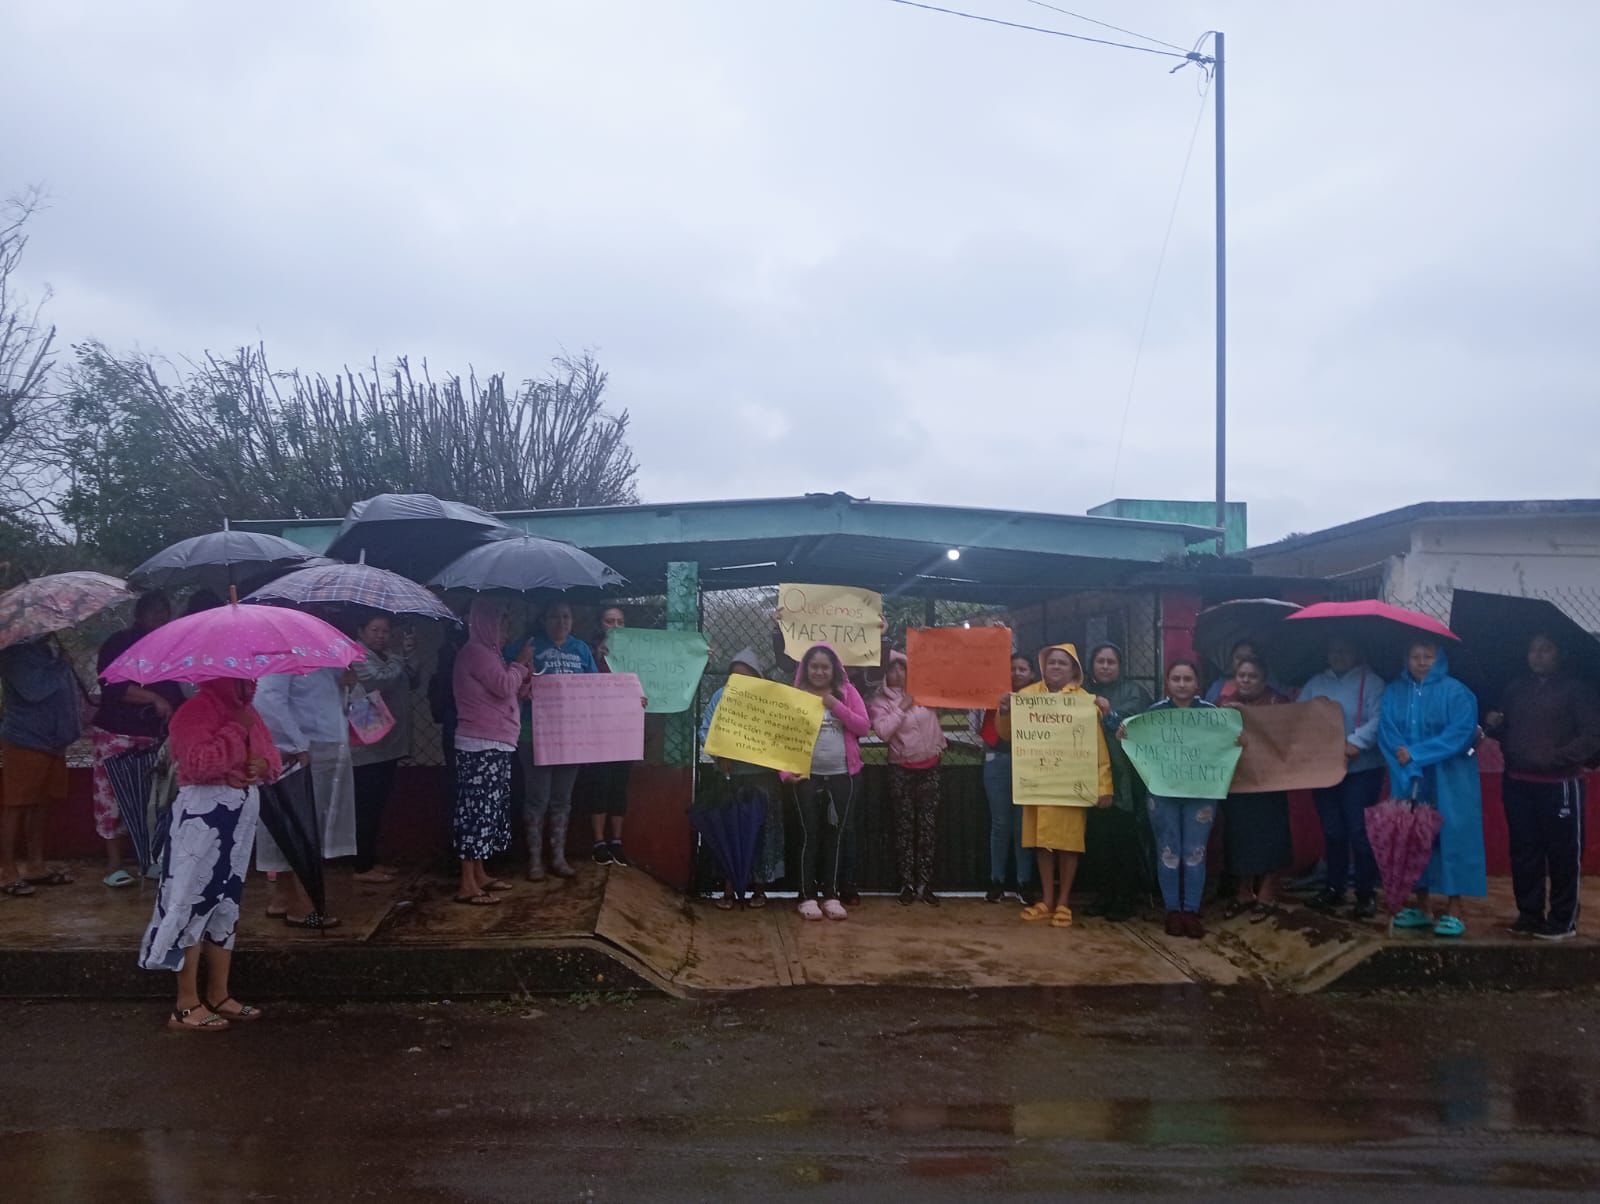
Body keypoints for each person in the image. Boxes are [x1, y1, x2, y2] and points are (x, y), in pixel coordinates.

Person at [139, 678, 282, 1031]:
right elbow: (200, 763)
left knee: (226, 902)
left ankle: (219, 994)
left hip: (239, 815)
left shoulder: (248, 711)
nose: (249, 682)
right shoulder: (195, 712)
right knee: (191, 899)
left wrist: (261, 766)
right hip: (203, 817)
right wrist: (235, 732)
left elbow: (272, 759)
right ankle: (186, 1003)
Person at [1484, 633, 1600, 940]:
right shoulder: (1515, 688)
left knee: (1563, 853)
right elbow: (1505, 730)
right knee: (1524, 851)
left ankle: (1564, 920)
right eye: (1532, 649)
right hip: (1518, 783)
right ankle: (1529, 914)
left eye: (1546, 649)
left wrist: (1557, 758)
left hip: (1560, 784)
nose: (1537, 656)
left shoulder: (1577, 690)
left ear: (1560, 653)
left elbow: (1592, 737)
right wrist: (1495, 723)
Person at [1119, 660, 1236, 939]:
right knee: (1168, 852)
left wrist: (1239, 740)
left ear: (1197, 684)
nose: (1182, 684)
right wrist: (1125, 732)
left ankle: (1191, 911)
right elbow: (1138, 741)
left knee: (1195, 853)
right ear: (1167, 683)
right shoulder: (1155, 715)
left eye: (1187, 679)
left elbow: (1228, 742)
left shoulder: (1211, 714)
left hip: (1201, 794)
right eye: (1176, 679)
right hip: (1163, 794)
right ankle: (1172, 910)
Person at [1378, 639, 1487, 938]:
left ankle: (1454, 909)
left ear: (1440, 659)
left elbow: (1461, 733)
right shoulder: (1394, 692)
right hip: (1408, 779)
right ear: (1406, 659)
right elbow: (1388, 732)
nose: (1422, 661)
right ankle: (1421, 906)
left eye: (1428, 656)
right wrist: (1409, 767)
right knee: (1413, 838)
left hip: (1449, 778)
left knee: (1453, 836)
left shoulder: (1457, 692)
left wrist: (1419, 754)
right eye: (1415, 656)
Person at [1004, 644, 1113, 929]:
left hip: (1070, 785)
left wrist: (1104, 785)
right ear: (1044, 666)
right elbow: (1007, 734)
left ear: (1074, 669)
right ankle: (1046, 900)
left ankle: (1064, 901)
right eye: (1051, 662)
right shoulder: (1026, 697)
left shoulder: (1085, 701)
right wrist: (1004, 710)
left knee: (1068, 845)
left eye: (1062, 663)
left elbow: (1098, 747)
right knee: (1042, 844)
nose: (1055, 667)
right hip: (1039, 784)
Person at [252, 663, 359, 928]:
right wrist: (295, 742)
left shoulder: (318, 655)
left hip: (320, 746)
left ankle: (284, 897)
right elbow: (267, 697)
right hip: (303, 749)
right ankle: (304, 904)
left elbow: (321, 698)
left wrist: (346, 683)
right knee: (302, 822)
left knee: (300, 820)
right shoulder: (280, 656)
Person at [91, 592, 185, 887]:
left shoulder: (172, 646)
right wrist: (153, 698)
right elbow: (112, 688)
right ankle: (115, 866)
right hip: (116, 735)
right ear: (140, 616)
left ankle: (149, 860)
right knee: (113, 800)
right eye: (155, 613)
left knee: (152, 801)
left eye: (164, 612)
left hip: (155, 736)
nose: (160, 618)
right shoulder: (119, 644)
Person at [507, 601, 598, 881]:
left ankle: (558, 857)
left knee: (562, 799)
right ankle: (535, 860)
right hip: (534, 733)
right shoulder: (529, 646)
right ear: (543, 619)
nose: (561, 621)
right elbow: (506, 678)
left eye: (566, 616)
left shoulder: (581, 649)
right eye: (554, 616)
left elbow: (595, 688)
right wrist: (523, 684)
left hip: (570, 735)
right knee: (537, 798)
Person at [452, 599, 534, 906]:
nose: (507, 629)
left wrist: (522, 685)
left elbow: (504, 694)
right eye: (502, 623)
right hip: (480, 744)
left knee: (489, 811)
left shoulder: (491, 654)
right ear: (486, 624)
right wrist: (521, 663)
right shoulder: (475, 653)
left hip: (495, 743)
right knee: (475, 812)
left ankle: (480, 873)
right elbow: (502, 686)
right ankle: (466, 885)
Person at [1299, 638, 1387, 919]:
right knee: (1333, 830)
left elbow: (1380, 719)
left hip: (1361, 770)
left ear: (1358, 652)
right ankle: (1334, 888)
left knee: (1359, 832)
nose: (1338, 655)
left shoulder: (1372, 683)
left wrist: (1356, 742)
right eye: (1333, 650)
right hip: (1324, 768)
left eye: (1344, 650)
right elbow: (1300, 717)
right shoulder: (1314, 683)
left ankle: (1365, 893)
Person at [787, 643, 871, 921]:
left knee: (836, 836)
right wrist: (786, 773)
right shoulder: (796, 696)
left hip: (841, 776)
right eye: (814, 666)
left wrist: (836, 706)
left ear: (834, 668)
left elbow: (863, 726)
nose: (819, 671)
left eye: (825, 666)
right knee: (809, 835)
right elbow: (781, 737)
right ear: (805, 668)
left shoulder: (848, 693)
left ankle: (831, 895)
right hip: (806, 777)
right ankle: (806, 895)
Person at [698, 647, 785, 909]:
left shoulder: (770, 701)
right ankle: (729, 889)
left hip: (764, 779)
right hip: (730, 777)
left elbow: (783, 734)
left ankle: (759, 890)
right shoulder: (719, 697)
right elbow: (705, 730)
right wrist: (721, 751)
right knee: (732, 832)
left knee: (764, 834)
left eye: (746, 676)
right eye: (734, 676)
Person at [0, 636, 83, 896]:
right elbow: (34, 690)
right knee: (16, 806)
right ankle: (7, 871)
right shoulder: (14, 654)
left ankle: (35, 865)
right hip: (27, 739)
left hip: (53, 740)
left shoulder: (46, 649)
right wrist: (61, 665)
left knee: (42, 804)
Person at [1082, 642, 1154, 921]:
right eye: (1100, 661)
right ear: (1092, 665)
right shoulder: (1082, 694)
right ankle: (1104, 895)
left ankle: (1125, 899)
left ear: (1120, 666)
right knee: (1099, 840)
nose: (1105, 666)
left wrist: (1109, 712)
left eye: (1111, 661)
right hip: (1092, 777)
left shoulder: (1134, 692)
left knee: (1124, 839)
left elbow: (1134, 730)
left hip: (1126, 778)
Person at [870, 650, 948, 906]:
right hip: (902, 770)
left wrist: (929, 644)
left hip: (931, 768)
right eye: (892, 669)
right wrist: (902, 708)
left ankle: (925, 884)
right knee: (904, 828)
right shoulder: (880, 702)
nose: (897, 674)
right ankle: (906, 883)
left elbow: (951, 681)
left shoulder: (926, 691)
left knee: (927, 828)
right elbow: (882, 731)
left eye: (902, 668)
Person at [1220, 656, 1293, 922]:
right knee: (1239, 836)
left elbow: (1285, 736)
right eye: (1242, 676)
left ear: (1264, 679)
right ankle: (1243, 891)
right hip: (1238, 782)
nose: (1246, 681)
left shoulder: (1279, 702)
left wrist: (1253, 718)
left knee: (1271, 835)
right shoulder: (1224, 704)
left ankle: (1267, 892)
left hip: (1270, 783)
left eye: (1253, 676)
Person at [349, 613, 418, 884]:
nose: (381, 635)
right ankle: (362, 865)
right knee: (367, 805)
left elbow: (412, 680)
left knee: (377, 805)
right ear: (361, 630)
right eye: (375, 630)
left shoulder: (387, 655)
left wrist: (410, 654)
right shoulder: (357, 655)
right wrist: (400, 656)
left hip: (386, 743)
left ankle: (370, 860)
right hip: (367, 746)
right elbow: (382, 680)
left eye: (385, 631)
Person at [979, 653, 1037, 903]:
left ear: (1032, 673)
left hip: (1030, 760)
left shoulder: (1040, 696)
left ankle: (1024, 882)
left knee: (1023, 823)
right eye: (1012, 668)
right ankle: (997, 880)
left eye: (1023, 668)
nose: (1017, 673)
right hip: (998, 757)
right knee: (1000, 823)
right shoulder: (995, 692)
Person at [587, 604, 635, 866]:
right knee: (600, 781)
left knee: (620, 782)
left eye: (619, 622)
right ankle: (598, 842)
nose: (615, 627)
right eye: (609, 621)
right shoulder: (590, 652)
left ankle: (616, 841)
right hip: (598, 726)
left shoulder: (635, 653)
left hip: (626, 725)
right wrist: (597, 657)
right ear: (600, 624)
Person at [1204, 640, 1258, 704]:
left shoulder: (1267, 690)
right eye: (1238, 657)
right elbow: (1206, 711)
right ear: (1232, 660)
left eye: (1248, 658)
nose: (1243, 661)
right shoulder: (1217, 686)